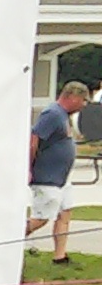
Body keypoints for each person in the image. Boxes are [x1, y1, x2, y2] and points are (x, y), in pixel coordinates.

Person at [26, 81, 91, 263]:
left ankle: (60, 256)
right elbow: (34, 139)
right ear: (73, 97)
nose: (84, 105)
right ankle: (9, 239)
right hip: (47, 177)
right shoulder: (52, 114)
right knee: (41, 218)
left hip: (62, 178)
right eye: (83, 100)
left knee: (65, 213)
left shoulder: (64, 116)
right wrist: (29, 168)